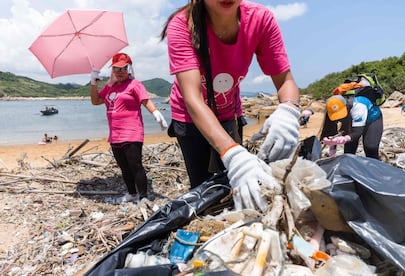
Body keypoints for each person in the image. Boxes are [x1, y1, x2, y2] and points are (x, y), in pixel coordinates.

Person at [160, 0, 301, 212]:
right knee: (203, 187)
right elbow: (193, 98)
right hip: (190, 117)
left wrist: (289, 110)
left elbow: (285, 81)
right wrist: (232, 153)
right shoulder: (181, 24)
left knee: (237, 182)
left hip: (229, 112)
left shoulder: (260, 19)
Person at [90, 52, 168, 203]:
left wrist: (156, 112)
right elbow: (95, 101)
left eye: (123, 69)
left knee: (135, 166)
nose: (119, 72)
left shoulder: (134, 84)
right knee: (124, 168)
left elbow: (145, 100)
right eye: (116, 69)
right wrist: (94, 83)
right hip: (115, 135)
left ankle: (144, 196)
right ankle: (132, 193)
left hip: (132, 132)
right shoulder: (109, 87)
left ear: (129, 69)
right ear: (112, 70)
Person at [322, 84, 383, 159]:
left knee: (370, 148)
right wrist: (332, 151)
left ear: (345, 106)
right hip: (352, 119)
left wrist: (345, 138)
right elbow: (332, 133)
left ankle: (375, 167)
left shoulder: (358, 106)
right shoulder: (332, 108)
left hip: (372, 118)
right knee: (349, 151)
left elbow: (357, 132)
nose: (339, 118)